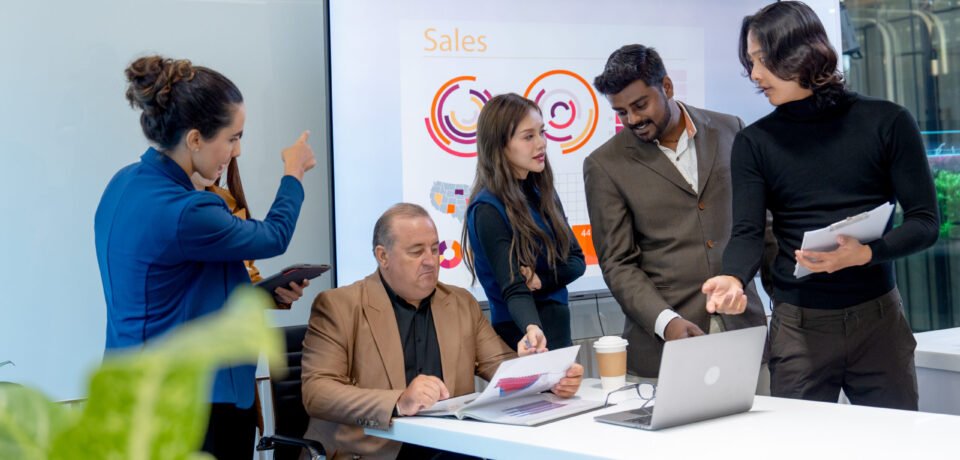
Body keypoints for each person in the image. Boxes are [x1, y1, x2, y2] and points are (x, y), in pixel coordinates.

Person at [702, 1, 939, 410]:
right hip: (799, 326)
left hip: (879, 320)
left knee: (896, 446)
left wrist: (867, 253)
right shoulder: (755, 142)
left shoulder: (888, 121)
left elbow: (925, 222)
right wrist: (733, 277)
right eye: (750, 61)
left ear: (801, 53)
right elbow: (747, 232)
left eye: (763, 60)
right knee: (801, 448)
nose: (755, 74)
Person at [95, 55, 316, 459]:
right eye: (232, 138)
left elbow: (174, 292)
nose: (237, 151)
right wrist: (294, 173)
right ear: (195, 139)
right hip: (193, 403)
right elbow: (273, 236)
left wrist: (262, 296)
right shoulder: (187, 211)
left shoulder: (123, 184)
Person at [301, 203, 584, 460]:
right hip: (374, 452)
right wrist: (399, 400)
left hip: (449, 449)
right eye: (416, 251)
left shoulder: (460, 303)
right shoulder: (340, 306)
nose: (431, 260)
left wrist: (549, 377)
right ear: (382, 256)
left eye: (435, 249)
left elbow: (500, 368)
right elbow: (317, 392)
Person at [584, 44, 769, 378]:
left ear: (666, 87)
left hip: (746, 335)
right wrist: (666, 323)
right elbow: (618, 264)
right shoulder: (604, 165)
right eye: (621, 112)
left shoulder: (731, 130)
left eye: (640, 105)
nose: (633, 119)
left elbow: (760, 226)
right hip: (665, 351)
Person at [462, 93, 586, 354]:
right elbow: (514, 287)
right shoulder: (487, 208)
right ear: (499, 145)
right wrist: (531, 327)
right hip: (522, 338)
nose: (541, 144)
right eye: (528, 136)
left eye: (542, 132)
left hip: (558, 328)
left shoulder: (544, 192)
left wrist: (540, 279)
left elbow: (577, 261)